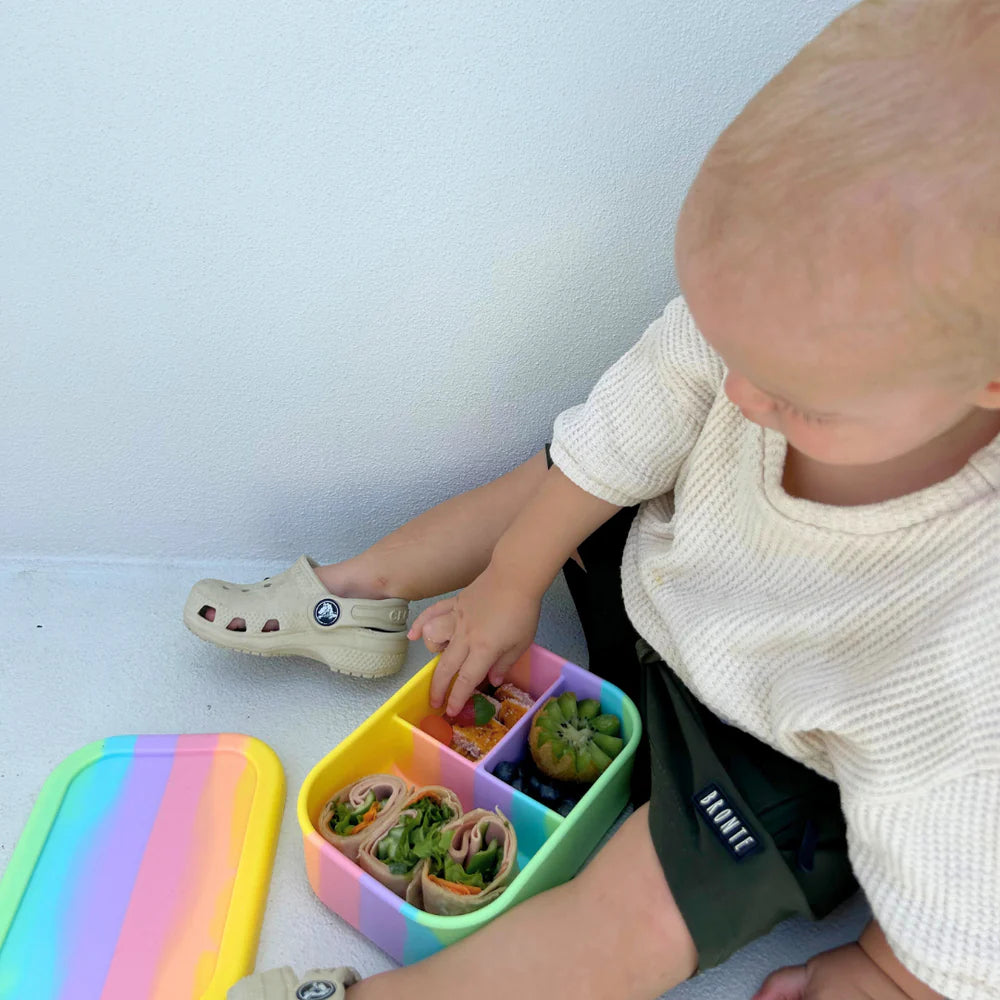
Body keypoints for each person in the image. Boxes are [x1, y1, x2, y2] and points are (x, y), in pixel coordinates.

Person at [184, 1, 1000, 997]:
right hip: (664, 586)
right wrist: (515, 573)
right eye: (720, 334)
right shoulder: (775, 329)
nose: (737, 393)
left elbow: (964, 835)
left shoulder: (972, 620)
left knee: (636, 922)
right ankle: (354, 594)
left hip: (770, 746)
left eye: (785, 393)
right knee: (567, 472)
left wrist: (893, 970)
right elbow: (628, 427)